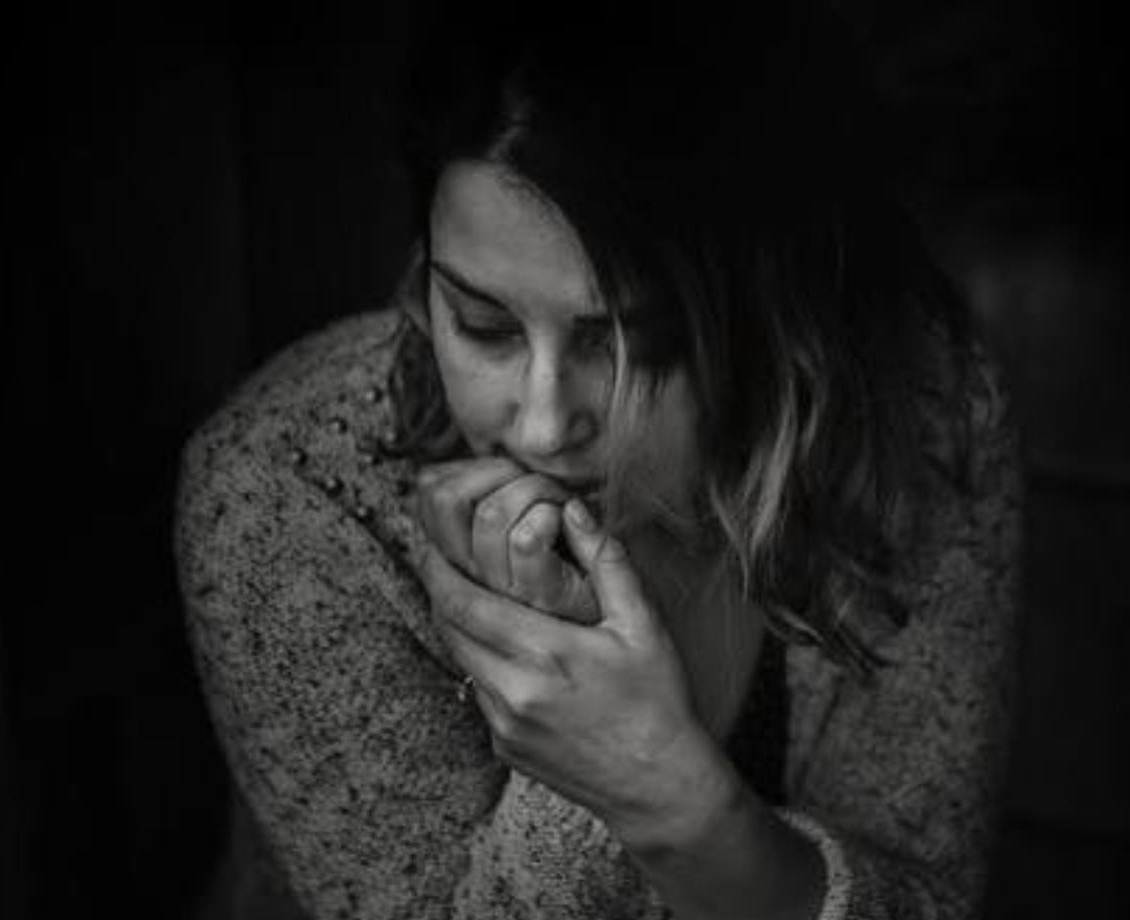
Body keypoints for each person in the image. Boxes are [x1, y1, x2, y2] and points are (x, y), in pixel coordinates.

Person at [175, 4, 1022, 918]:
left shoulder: (917, 417)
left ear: (781, 317)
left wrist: (666, 799)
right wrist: (581, 778)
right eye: (483, 325)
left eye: (637, 344)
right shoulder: (289, 486)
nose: (543, 426)